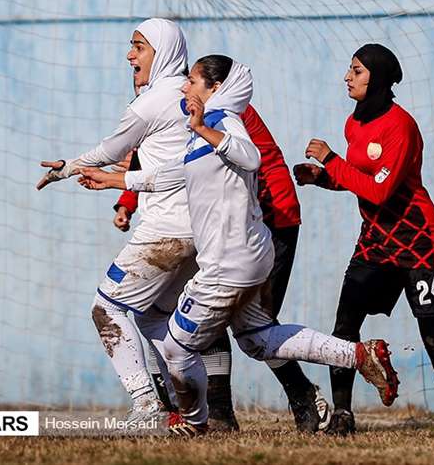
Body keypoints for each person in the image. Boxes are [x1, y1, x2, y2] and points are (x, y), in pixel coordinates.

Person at [80, 55, 399, 437]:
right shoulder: (205, 125)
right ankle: (360, 355)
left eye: (193, 81)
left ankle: (196, 423)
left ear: (214, 89)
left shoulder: (223, 118)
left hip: (232, 258)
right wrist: (116, 182)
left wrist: (201, 126)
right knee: (256, 338)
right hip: (246, 252)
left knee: (178, 346)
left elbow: (250, 156)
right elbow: (174, 173)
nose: (184, 86)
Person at [292, 43, 434, 437]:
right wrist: (322, 178)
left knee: (432, 332)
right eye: (349, 69)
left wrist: (330, 161)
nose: (348, 76)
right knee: (344, 325)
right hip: (375, 241)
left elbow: (381, 191)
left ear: (376, 77)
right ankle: (342, 416)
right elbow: (359, 179)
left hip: (419, 242)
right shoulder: (353, 124)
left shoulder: (401, 126)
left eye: (357, 70)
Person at [112, 104, 330, 432]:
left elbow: (240, 162)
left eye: (139, 49)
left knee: (254, 326)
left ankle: (303, 395)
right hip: (221, 227)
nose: (132, 59)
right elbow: (160, 163)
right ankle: (220, 414)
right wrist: (127, 203)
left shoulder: (220, 110)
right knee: (209, 314)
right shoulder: (172, 107)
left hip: (267, 221)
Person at [36, 19, 200, 424]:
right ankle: (189, 413)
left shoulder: (151, 101)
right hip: (202, 226)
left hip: (166, 229)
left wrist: (68, 167)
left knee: (105, 308)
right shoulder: (194, 94)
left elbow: (112, 149)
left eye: (139, 47)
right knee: (153, 316)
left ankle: (146, 406)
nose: (130, 55)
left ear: (162, 51)